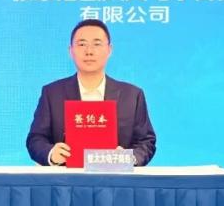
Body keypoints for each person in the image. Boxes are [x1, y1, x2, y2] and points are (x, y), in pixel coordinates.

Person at [26, 19, 156, 166]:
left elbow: (146, 142)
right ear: (70, 51)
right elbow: (35, 139)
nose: (89, 51)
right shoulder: (52, 93)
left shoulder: (132, 95)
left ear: (109, 50)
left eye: (97, 44)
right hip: (66, 179)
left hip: (115, 178)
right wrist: (51, 153)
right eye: (82, 44)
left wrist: (127, 158)